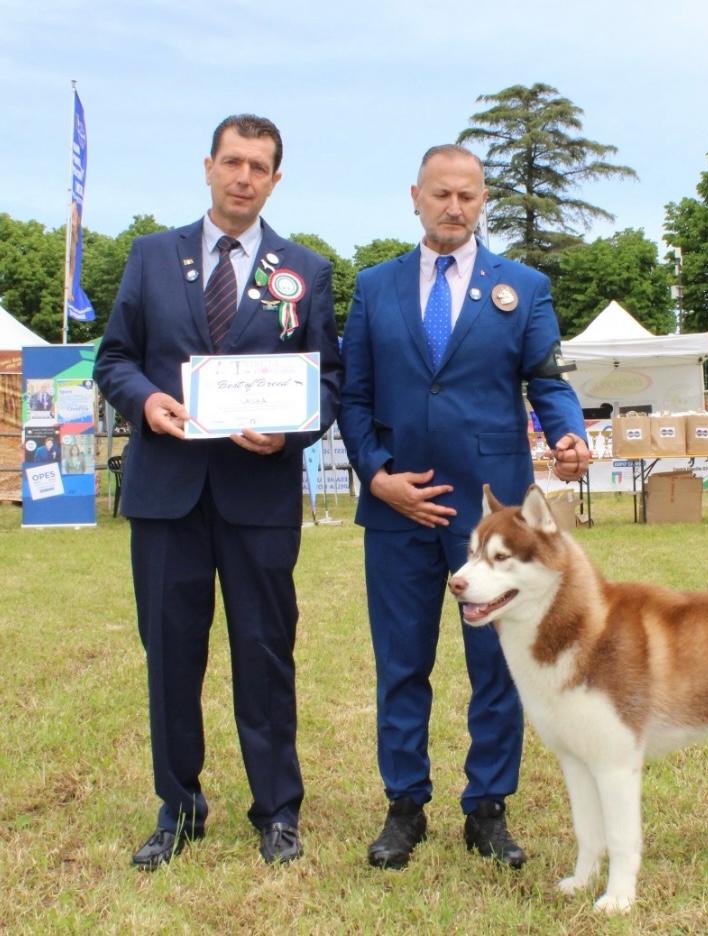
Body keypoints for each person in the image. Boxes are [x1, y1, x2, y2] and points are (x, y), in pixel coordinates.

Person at [93, 114, 342, 870]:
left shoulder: (307, 268)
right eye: (232, 161)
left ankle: (277, 810)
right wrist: (146, 402)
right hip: (167, 494)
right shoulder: (149, 257)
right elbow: (115, 360)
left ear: (274, 179)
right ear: (208, 167)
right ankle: (179, 808)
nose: (243, 176)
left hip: (258, 495)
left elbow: (328, 380)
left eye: (258, 165)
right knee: (170, 654)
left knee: (265, 653)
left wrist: (290, 430)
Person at [339, 144, 590, 872]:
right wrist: (378, 475)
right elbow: (353, 398)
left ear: (484, 202)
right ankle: (404, 807)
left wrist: (568, 430)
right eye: (441, 194)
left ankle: (487, 808)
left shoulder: (524, 287)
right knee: (401, 662)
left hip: (493, 521)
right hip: (397, 509)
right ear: (414, 195)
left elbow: (547, 380)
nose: (454, 207)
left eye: (468, 196)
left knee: (497, 663)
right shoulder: (373, 288)